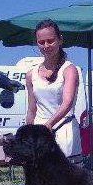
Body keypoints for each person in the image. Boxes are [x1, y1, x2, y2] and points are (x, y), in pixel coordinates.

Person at [25, 19, 82, 161]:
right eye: (41, 42)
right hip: (40, 134)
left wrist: (49, 124)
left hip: (64, 130)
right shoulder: (31, 74)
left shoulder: (69, 70)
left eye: (50, 41)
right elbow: (32, 110)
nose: (46, 46)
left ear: (60, 40)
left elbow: (67, 103)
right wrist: (28, 136)